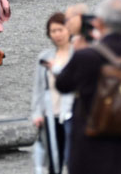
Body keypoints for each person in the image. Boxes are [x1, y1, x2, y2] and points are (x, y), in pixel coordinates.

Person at [55, 0, 121, 174]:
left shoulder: (86, 57)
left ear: (98, 23)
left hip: (90, 150)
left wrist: (76, 52)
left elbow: (62, 84)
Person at [32, 12, 74, 174]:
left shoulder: (77, 56)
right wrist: (37, 112)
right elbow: (39, 88)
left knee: (74, 159)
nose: (57, 34)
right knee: (53, 159)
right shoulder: (45, 57)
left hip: (72, 114)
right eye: (53, 31)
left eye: (60, 30)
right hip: (51, 114)